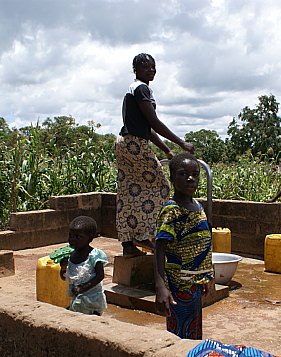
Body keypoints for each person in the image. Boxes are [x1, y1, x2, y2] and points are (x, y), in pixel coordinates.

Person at [116, 53, 194, 257]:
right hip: (135, 144)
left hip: (126, 142)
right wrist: (181, 143)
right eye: (146, 67)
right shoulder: (141, 89)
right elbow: (153, 122)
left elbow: (146, 127)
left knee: (129, 190)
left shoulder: (133, 89)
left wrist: (166, 149)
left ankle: (127, 244)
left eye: (153, 67)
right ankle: (144, 234)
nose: (151, 70)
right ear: (136, 69)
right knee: (161, 187)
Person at [154, 153, 214, 339]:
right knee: (180, 335)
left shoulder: (197, 206)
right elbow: (159, 249)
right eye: (183, 173)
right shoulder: (172, 211)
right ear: (172, 178)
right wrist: (160, 287)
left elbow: (203, 242)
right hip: (178, 285)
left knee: (194, 332)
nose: (191, 178)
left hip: (195, 284)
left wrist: (207, 275)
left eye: (195, 174)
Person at [57, 216, 109, 316]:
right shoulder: (69, 255)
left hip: (93, 301)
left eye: (78, 237)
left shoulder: (95, 256)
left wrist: (82, 288)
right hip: (77, 301)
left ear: (90, 238)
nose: (72, 239)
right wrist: (63, 268)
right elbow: (64, 277)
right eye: (70, 235)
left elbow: (100, 276)